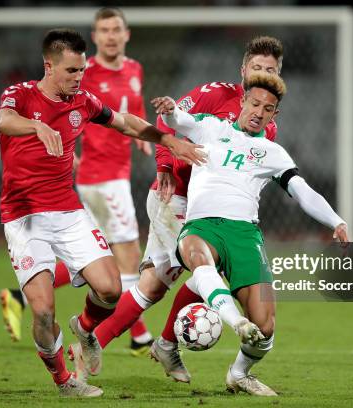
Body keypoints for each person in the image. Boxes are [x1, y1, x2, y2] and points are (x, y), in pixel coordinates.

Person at [0, 28, 203, 397]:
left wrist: (165, 138)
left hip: (68, 210)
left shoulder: (83, 101)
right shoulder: (21, 95)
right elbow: (3, 121)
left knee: (109, 289)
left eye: (82, 70)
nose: (79, 78)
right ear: (49, 66)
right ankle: (64, 381)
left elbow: (125, 122)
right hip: (24, 215)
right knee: (42, 311)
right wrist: (37, 126)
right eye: (71, 71)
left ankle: (86, 328)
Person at [69, 36, 283, 382]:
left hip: (211, 213)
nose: (261, 74)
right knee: (202, 270)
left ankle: (97, 338)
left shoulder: (266, 124)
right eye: (256, 67)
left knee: (155, 284)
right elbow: (168, 121)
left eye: (269, 70)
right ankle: (152, 343)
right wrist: (165, 166)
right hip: (177, 198)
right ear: (244, 70)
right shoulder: (214, 94)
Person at [151, 73, 348, 396]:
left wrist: (336, 221)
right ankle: (235, 322)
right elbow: (177, 120)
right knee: (199, 259)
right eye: (254, 103)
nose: (258, 111)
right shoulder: (210, 127)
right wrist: (171, 109)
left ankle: (239, 373)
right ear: (242, 101)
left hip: (245, 234)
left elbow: (302, 191)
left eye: (267, 108)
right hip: (201, 225)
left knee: (266, 326)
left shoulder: (273, 153)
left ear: (274, 115)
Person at [0, 7, 155, 356]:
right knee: (127, 256)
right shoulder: (84, 73)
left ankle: (19, 296)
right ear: (96, 37)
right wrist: (69, 154)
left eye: (117, 29)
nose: (111, 35)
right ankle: (136, 334)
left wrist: (149, 134)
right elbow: (25, 119)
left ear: (127, 34)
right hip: (97, 179)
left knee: (102, 265)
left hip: (118, 173)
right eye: (104, 30)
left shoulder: (133, 69)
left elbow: (130, 112)